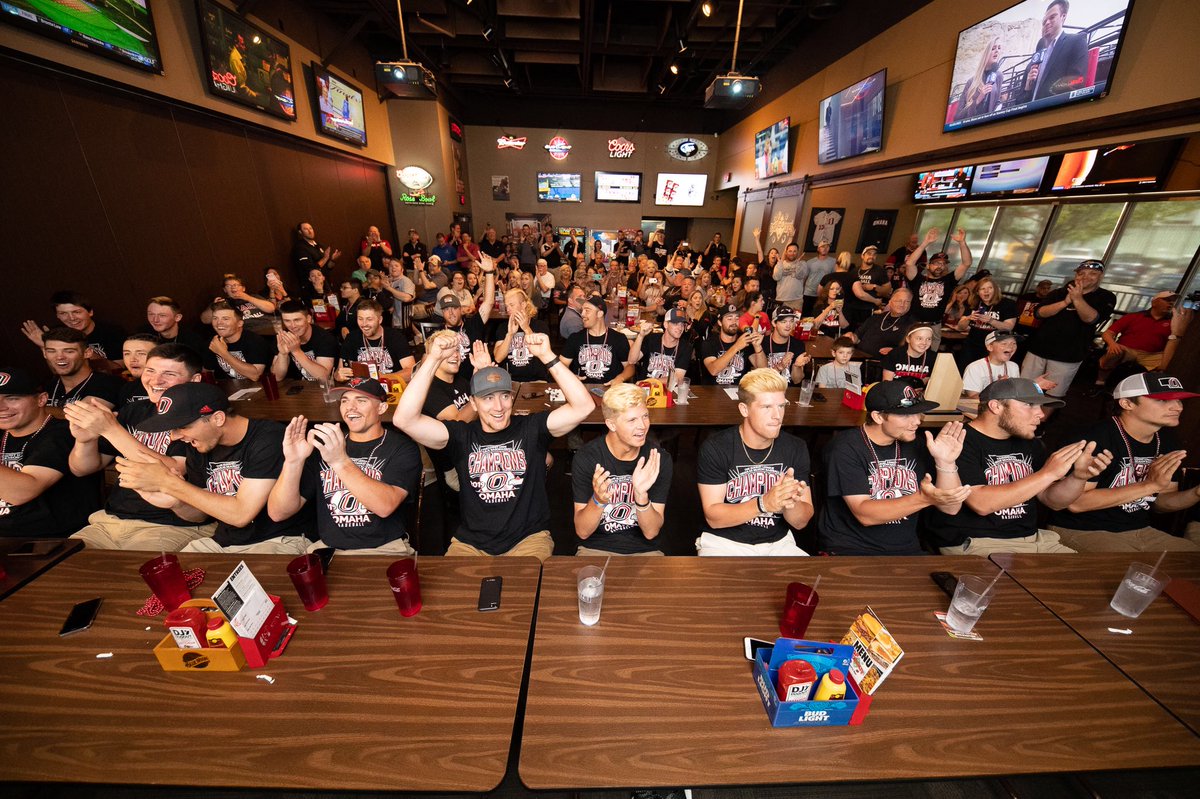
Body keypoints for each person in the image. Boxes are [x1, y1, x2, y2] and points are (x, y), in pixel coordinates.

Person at [394, 333, 594, 560]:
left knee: (523, 592)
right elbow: (404, 420)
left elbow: (584, 406)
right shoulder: (461, 435)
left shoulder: (531, 428)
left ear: (512, 398)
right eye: (488, 398)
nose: (498, 407)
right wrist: (432, 360)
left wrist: (547, 356)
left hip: (528, 540)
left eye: (504, 396)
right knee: (450, 591)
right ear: (474, 404)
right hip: (471, 543)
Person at [115, 383, 311, 555]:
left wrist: (169, 483)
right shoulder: (199, 445)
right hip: (223, 542)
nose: (174, 436)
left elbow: (241, 514)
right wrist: (176, 502)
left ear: (217, 418)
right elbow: (200, 515)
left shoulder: (268, 439)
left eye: (182, 427)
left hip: (278, 541)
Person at [928, 378, 1112, 556]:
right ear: (996, 406)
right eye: (1029, 405)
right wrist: (1048, 473)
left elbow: (1053, 501)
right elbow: (981, 504)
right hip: (978, 542)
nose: (1040, 413)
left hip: (1033, 540)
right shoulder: (959, 441)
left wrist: (1078, 478)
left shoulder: (1030, 444)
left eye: (1040, 406)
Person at [66, 345, 216, 550]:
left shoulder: (201, 418)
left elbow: (174, 469)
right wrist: (85, 440)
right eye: (150, 371)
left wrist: (111, 430)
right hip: (108, 521)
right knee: (57, 565)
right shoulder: (135, 410)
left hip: (171, 525)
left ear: (194, 380)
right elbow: (82, 468)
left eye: (169, 374)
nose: (155, 381)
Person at [1047, 372, 1200, 552]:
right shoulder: (1092, 438)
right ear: (1127, 403)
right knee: (1130, 569)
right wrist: (1149, 485)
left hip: (1140, 530)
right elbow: (1076, 503)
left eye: (1179, 400)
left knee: (1191, 562)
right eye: (1162, 400)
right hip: (1082, 529)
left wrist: (1196, 493)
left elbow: (1160, 503)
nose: (1177, 407)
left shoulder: (1167, 440)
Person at [268, 379, 420, 555]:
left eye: (361, 400)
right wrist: (293, 462)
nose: (350, 407)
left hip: (384, 548)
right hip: (327, 549)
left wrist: (339, 461)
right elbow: (278, 513)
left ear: (381, 408)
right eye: (345, 400)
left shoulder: (402, 447)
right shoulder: (324, 447)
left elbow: (385, 506)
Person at [818, 382, 970, 555]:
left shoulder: (917, 445)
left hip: (907, 550)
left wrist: (945, 462)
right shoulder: (845, 448)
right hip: (853, 550)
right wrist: (924, 499)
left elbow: (951, 508)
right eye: (906, 415)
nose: (917, 421)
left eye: (917, 413)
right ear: (878, 417)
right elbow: (864, 514)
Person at [695, 369, 814, 555]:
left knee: (810, 583)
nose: (777, 416)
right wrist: (764, 504)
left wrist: (789, 501)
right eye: (767, 407)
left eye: (781, 406)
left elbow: (801, 522)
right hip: (724, 543)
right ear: (744, 409)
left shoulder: (795, 447)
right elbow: (714, 518)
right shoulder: (716, 447)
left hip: (779, 542)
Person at [572, 384, 672, 556]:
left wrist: (641, 495)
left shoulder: (658, 459)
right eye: (632, 420)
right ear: (611, 424)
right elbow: (582, 531)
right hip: (595, 549)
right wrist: (598, 500)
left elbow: (651, 532)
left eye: (645, 416)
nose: (642, 426)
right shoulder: (587, 457)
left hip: (645, 551)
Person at [0, 368, 101, 538]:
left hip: (51, 541)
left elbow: (23, 491)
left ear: (41, 399)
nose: (1, 407)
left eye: (12, 398)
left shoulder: (63, 433)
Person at [1021, 259, 1117, 403]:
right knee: (1025, 387)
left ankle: (1041, 422)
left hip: (1069, 354)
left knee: (1052, 395)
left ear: (1101, 276)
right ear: (1076, 275)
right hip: (1038, 349)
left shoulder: (1106, 297)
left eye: (1093, 273)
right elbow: (1039, 313)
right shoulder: (1058, 292)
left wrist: (1077, 299)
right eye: (1082, 273)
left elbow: (1091, 319)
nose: (1085, 276)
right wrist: (1065, 302)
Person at [1093, 291, 1177, 390]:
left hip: (1152, 355)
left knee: (1171, 363)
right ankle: (1100, 382)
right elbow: (1107, 333)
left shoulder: (1173, 323)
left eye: (1173, 301)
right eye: (1167, 300)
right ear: (1154, 302)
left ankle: (1150, 391)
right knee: (1115, 351)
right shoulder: (1134, 316)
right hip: (1128, 350)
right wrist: (1112, 344)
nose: (1171, 303)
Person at [905, 228, 972, 352]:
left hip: (934, 326)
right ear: (928, 265)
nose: (939, 266)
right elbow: (910, 264)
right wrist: (925, 243)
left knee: (930, 360)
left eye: (943, 264)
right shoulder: (918, 279)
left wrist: (962, 243)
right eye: (936, 263)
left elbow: (966, 263)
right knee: (908, 356)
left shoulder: (948, 281)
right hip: (915, 324)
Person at [22, 290, 126, 366]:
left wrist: (82, 350)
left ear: (90, 312)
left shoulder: (112, 332)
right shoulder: (57, 335)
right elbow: (58, 372)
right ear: (57, 316)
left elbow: (117, 369)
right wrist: (45, 347)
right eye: (63, 313)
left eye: (76, 312)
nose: (71, 318)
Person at [1016, 0, 1089, 104]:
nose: (1047, 23)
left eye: (1052, 17)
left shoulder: (1076, 42)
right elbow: (1018, 103)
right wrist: (1028, 88)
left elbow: (1077, 83)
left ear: (1063, 17)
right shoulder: (1033, 63)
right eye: (1044, 21)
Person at [41, 327, 121, 409]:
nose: (59, 357)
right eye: (51, 351)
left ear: (87, 353)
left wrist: (39, 411)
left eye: (69, 351)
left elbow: (78, 417)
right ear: (44, 353)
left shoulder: (109, 384)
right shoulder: (47, 386)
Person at [338, 299, 415, 383]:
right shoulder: (351, 338)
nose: (364, 324)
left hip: (391, 389)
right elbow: (338, 372)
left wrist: (383, 377)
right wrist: (339, 376)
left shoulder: (396, 337)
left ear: (380, 320)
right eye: (360, 319)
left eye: (369, 319)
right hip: (363, 391)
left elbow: (411, 372)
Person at [561, 295, 631, 385]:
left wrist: (620, 378)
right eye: (582, 310)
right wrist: (570, 376)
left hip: (611, 391)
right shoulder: (575, 338)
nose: (582, 314)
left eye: (587, 310)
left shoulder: (618, 338)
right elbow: (562, 365)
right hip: (582, 391)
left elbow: (630, 367)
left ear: (599, 314)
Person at [962, 331, 1056, 398]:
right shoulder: (975, 368)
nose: (1010, 347)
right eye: (1004, 343)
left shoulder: (1013, 366)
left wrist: (1033, 384)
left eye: (1014, 343)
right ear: (990, 347)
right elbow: (972, 399)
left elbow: (1015, 393)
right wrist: (998, 387)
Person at [270, 300, 338, 383]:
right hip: (298, 389)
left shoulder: (325, 338)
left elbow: (323, 377)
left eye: (297, 320)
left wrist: (296, 351)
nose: (293, 326)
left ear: (308, 319)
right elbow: (277, 377)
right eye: (287, 321)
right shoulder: (283, 337)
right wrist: (283, 354)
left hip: (323, 389)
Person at [492, 288, 551, 382]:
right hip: (511, 380)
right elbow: (498, 358)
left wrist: (526, 329)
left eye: (511, 305)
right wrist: (510, 334)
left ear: (523, 305)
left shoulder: (540, 325)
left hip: (537, 380)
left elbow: (542, 352)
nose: (508, 309)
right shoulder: (503, 327)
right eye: (506, 306)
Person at [956, 276, 1017, 368]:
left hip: (994, 347)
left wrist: (991, 320)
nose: (986, 291)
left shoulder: (1007, 304)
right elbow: (960, 327)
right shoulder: (974, 303)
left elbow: (1009, 327)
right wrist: (968, 318)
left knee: (987, 373)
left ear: (995, 290)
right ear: (977, 292)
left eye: (990, 288)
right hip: (971, 345)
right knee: (964, 370)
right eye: (982, 289)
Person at [702, 304, 766, 386]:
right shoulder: (709, 343)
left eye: (737, 318)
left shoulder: (745, 340)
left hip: (738, 393)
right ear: (720, 322)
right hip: (713, 393)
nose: (734, 322)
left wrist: (757, 346)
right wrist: (736, 346)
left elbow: (764, 370)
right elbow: (713, 370)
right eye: (729, 318)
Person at [207, 301, 272, 381]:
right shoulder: (214, 341)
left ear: (240, 323)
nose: (219, 323)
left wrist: (223, 353)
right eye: (215, 318)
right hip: (226, 390)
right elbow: (208, 373)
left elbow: (256, 376)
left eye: (225, 319)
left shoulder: (254, 341)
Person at [628, 309, 692, 385]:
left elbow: (677, 378)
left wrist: (649, 382)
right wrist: (641, 336)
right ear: (666, 324)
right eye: (675, 323)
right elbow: (631, 361)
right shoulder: (651, 339)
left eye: (682, 324)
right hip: (646, 389)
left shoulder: (686, 347)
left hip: (667, 390)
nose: (680, 328)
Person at [847, 288, 913, 357]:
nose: (902, 304)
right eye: (898, 301)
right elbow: (857, 335)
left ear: (910, 305)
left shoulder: (912, 324)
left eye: (907, 302)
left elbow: (913, 349)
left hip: (883, 363)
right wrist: (851, 337)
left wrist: (895, 351)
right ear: (890, 302)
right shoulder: (876, 317)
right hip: (859, 357)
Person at [206, 274, 276, 336]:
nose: (233, 287)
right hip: (249, 333)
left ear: (243, 288)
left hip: (269, 328)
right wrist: (213, 306)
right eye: (228, 286)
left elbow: (271, 308)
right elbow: (205, 320)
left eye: (236, 285)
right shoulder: (223, 303)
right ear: (225, 290)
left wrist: (248, 298)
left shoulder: (254, 297)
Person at [954, 36, 1003, 121]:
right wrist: (978, 99)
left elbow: (997, 102)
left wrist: (1001, 105)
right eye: (993, 48)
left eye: (999, 48)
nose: (997, 51)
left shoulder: (999, 76)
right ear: (986, 53)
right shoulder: (971, 82)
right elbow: (957, 117)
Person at [761, 306, 812, 385]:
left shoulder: (798, 344)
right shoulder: (762, 343)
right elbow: (758, 378)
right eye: (784, 322)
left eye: (791, 321)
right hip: (767, 388)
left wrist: (796, 366)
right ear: (774, 323)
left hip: (789, 391)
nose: (788, 325)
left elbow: (797, 380)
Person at [845, 246, 891, 329]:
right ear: (862, 256)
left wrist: (874, 287)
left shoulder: (879, 271)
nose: (872, 256)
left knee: (866, 331)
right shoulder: (854, 271)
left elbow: (887, 290)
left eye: (874, 255)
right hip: (854, 307)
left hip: (870, 308)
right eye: (869, 254)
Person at [143, 296, 209, 353]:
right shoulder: (144, 336)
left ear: (177, 317)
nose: (155, 320)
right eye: (151, 314)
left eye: (162, 315)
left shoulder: (193, 341)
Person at [118, 333, 158, 405]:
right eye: (127, 353)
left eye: (141, 353)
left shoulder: (173, 387)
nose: (132, 359)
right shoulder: (127, 388)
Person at [800, 240, 836, 316]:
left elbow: (834, 278)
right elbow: (804, 277)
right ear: (818, 249)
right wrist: (802, 291)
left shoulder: (833, 262)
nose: (825, 248)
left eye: (827, 246)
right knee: (806, 315)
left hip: (823, 294)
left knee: (819, 315)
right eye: (822, 246)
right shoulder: (810, 262)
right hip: (809, 292)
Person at [772, 243, 806, 313]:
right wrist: (780, 262)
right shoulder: (780, 264)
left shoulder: (802, 263)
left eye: (794, 251)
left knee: (795, 323)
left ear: (797, 252)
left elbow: (800, 275)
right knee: (779, 323)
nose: (792, 253)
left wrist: (798, 263)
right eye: (790, 251)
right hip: (781, 300)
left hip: (796, 301)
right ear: (786, 252)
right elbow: (776, 277)